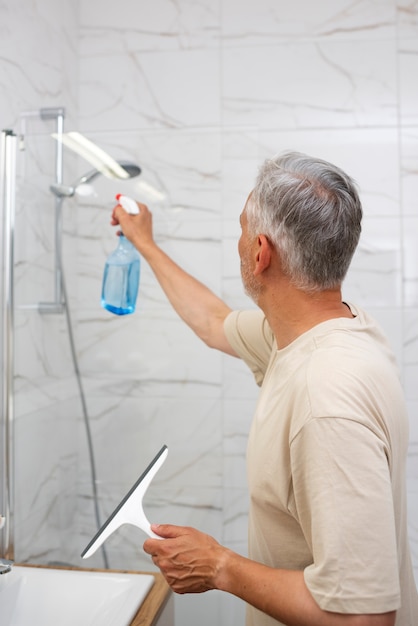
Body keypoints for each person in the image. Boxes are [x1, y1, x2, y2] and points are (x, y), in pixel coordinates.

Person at [111, 152, 418, 626]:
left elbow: (366, 620)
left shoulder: (325, 398)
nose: (237, 244)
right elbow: (214, 323)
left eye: (240, 228)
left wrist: (220, 567)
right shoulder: (327, 331)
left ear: (260, 252)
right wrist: (144, 243)